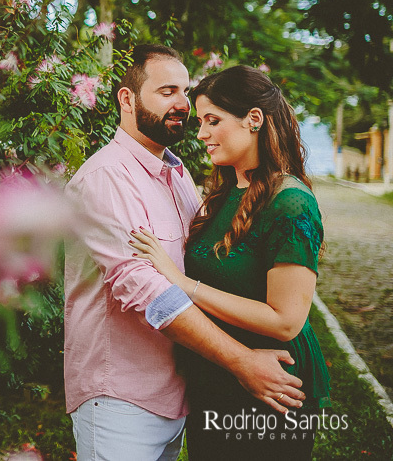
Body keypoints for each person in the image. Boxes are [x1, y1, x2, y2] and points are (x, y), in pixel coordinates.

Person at [64, 46, 305, 461]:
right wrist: (242, 361)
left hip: (178, 395)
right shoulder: (107, 180)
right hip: (122, 399)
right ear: (127, 99)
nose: (182, 104)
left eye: (185, 91)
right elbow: (148, 293)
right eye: (167, 91)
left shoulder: (177, 177)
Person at [129, 64, 330, 460]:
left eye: (213, 120)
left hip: (273, 386)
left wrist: (184, 285)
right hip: (217, 379)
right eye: (201, 121)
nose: (201, 133)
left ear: (253, 119)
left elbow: (287, 319)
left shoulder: (290, 202)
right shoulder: (225, 193)